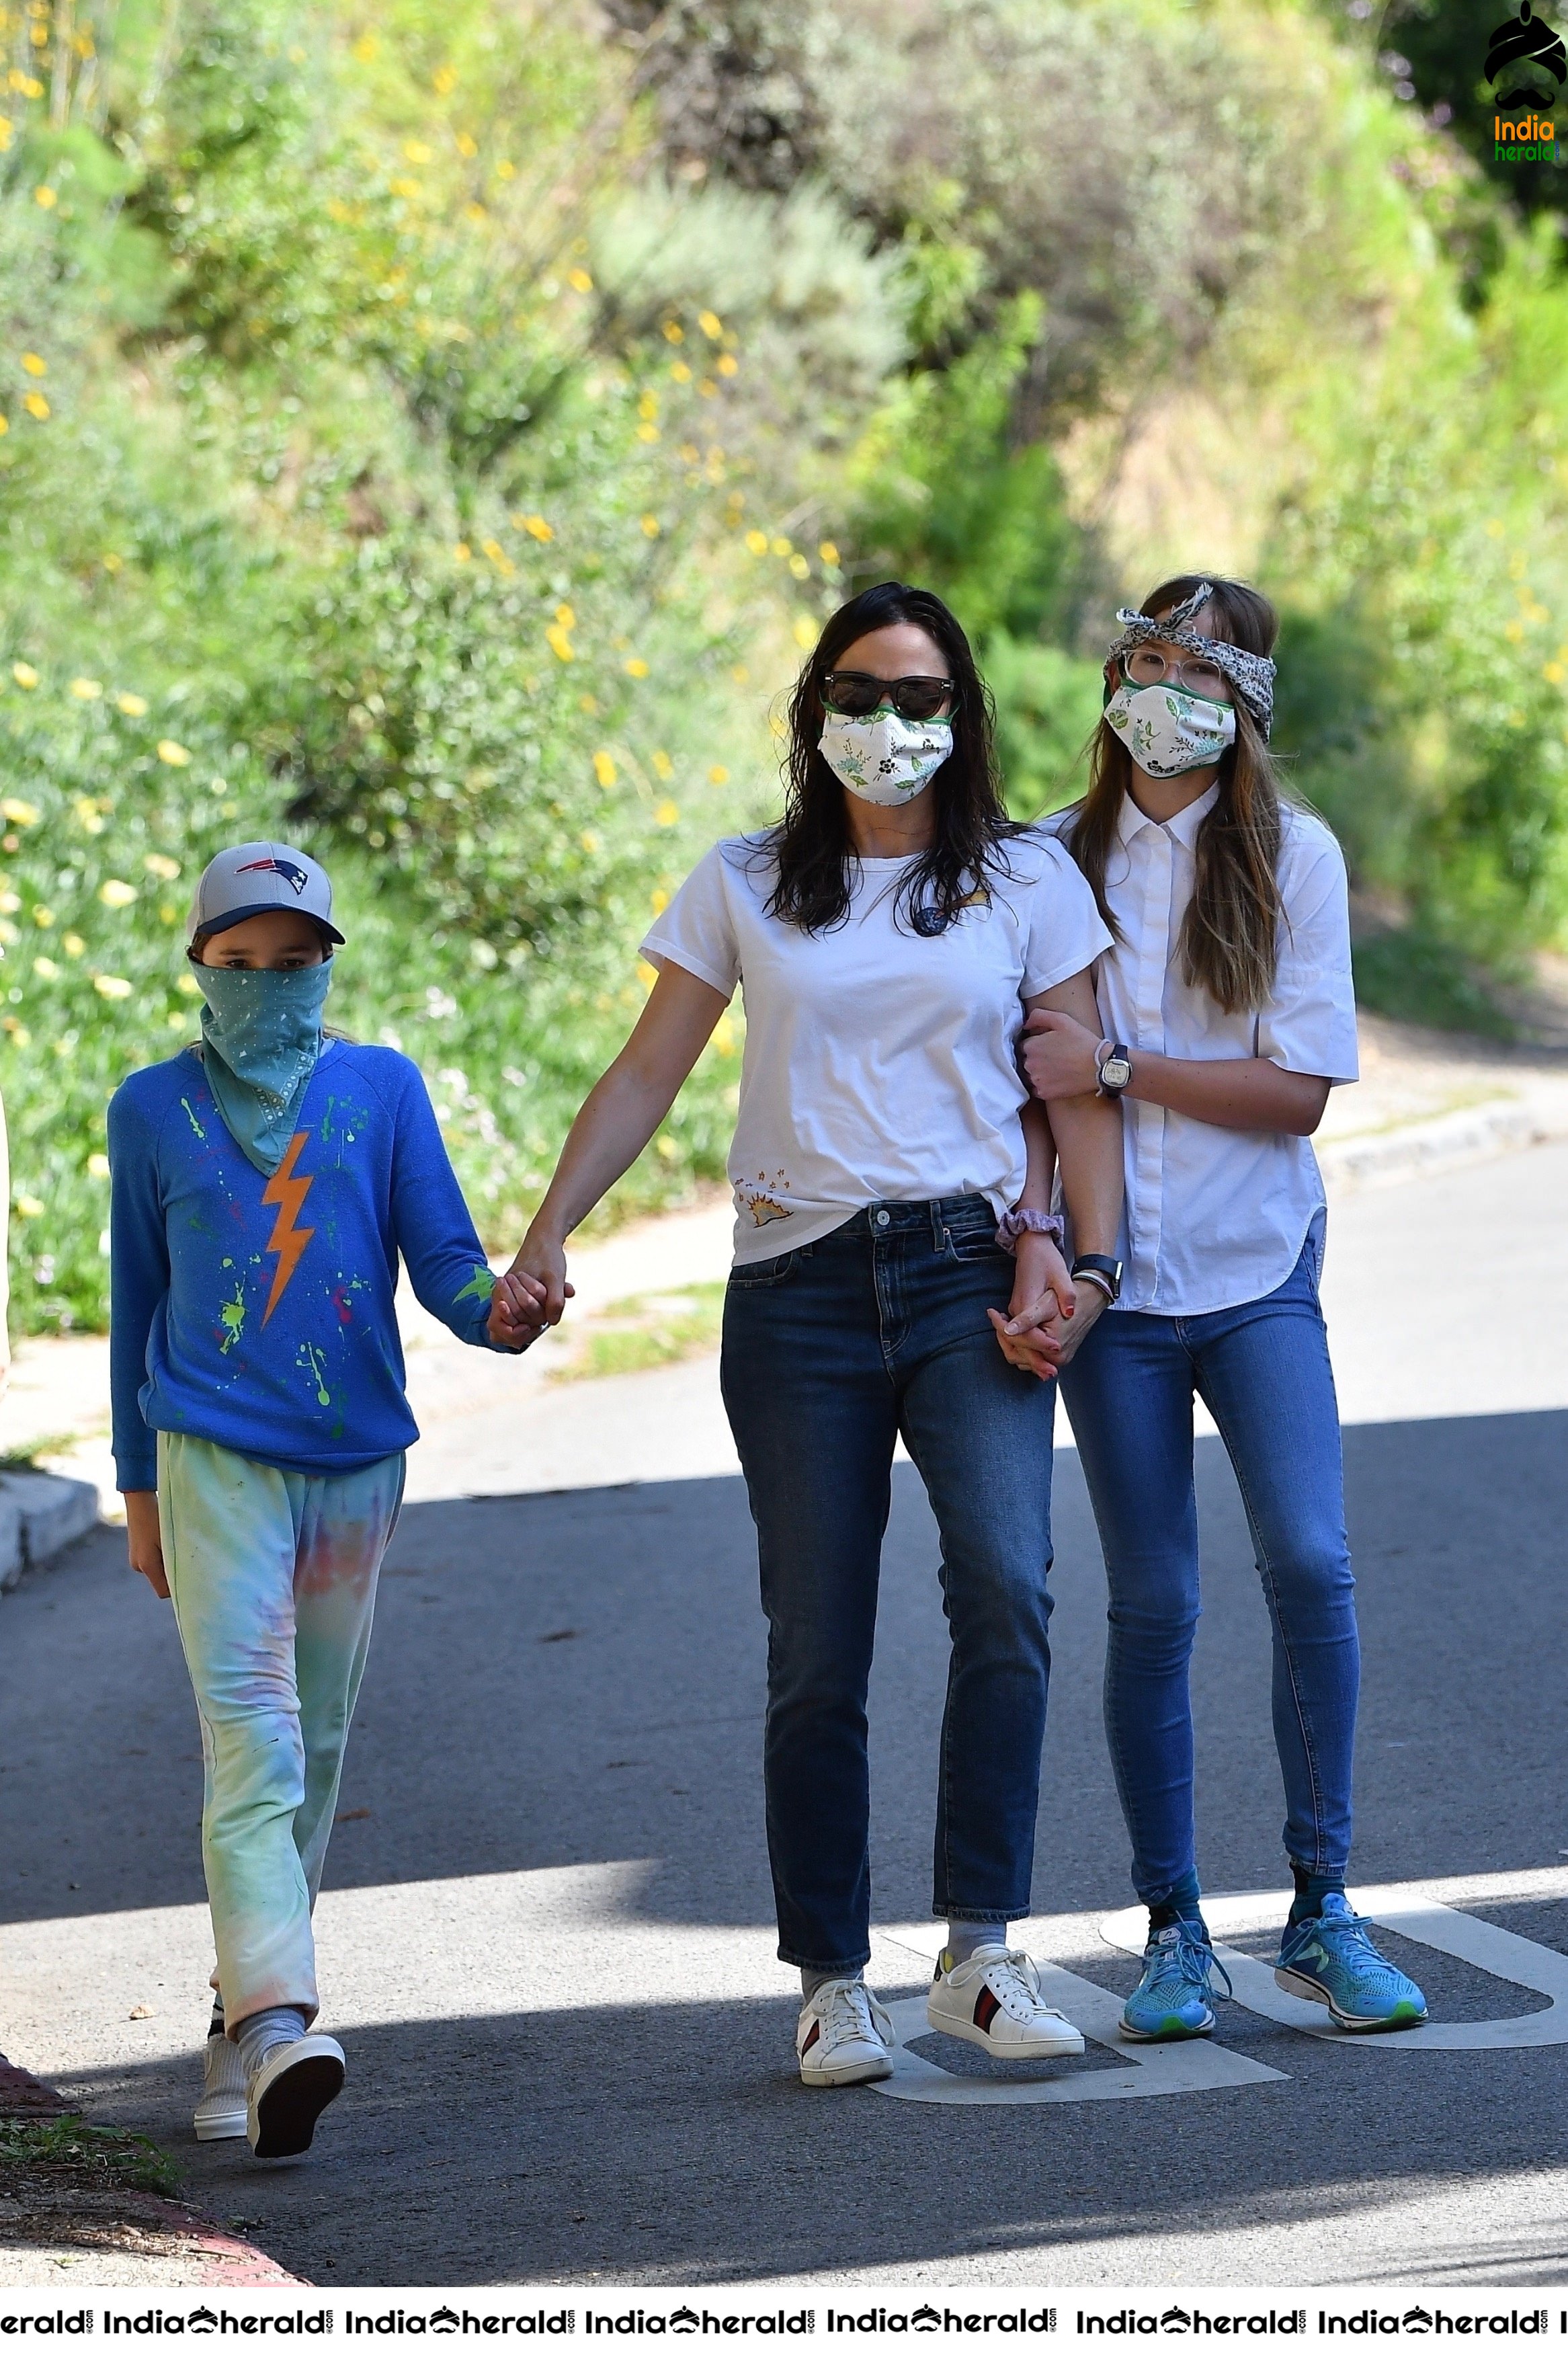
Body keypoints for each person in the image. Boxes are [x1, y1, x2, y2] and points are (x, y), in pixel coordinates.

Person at [501, 582, 1124, 2087]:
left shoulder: (1027, 881)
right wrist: (549, 1226)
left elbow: (1075, 1093)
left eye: (923, 698)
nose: (892, 724)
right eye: (863, 692)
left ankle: (980, 1954)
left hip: (966, 1275)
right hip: (795, 1290)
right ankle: (831, 1981)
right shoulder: (743, 881)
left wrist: (1089, 1267)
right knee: (816, 1646)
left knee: (1009, 1590)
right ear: (815, 709)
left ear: (962, 717)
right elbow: (650, 1068)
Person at [1022, 576, 1428, 2040]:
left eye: (1195, 671)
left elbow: (1298, 1093)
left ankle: (1323, 1908)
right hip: (1114, 1289)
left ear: (1244, 702)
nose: (1159, 689)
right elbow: (1022, 1076)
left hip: (1260, 1273)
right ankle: (1173, 1927)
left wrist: (1121, 1069)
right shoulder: (1049, 859)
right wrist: (1041, 1236)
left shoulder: (1291, 855)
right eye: (1140, 657)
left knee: (1312, 1563)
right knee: (1155, 1602)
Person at [108, 842, 540, 2159]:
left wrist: (505, 1313)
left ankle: (239, 2021)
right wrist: (138, 1496)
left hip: (357, 1464)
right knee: (255, 1739)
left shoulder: (380, 1089)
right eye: (241, 963)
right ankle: (285, 2018)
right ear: (200, 966)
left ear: (327, 966)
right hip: (212, 1460)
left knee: (318, 1751)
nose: (268, 985)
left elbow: (449, 1266)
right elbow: (135, 1303)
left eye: (294, 963)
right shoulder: (151, 1109)